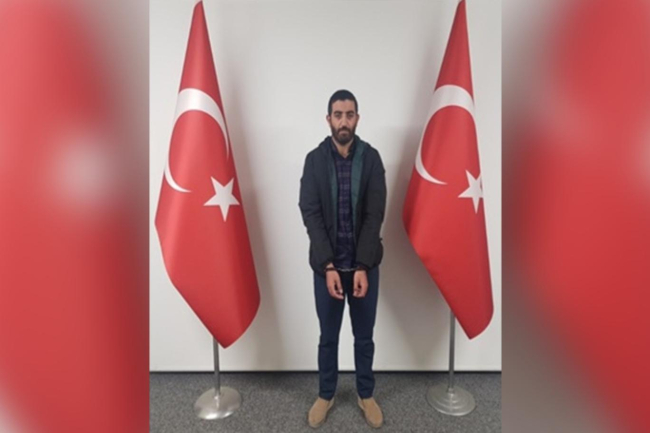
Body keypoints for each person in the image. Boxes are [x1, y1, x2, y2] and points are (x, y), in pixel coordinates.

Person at [299, 89, 387, 429]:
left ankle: (366, 394)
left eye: (350, 114)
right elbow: (310, 213)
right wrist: (328, 266)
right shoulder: (314, 160)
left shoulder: (372, 159)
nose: (344, 121)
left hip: (365, 268)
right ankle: (326, 394)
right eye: (338, 115)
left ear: (357, 118)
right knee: (328, 337)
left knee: (364, 337)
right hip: (328, 270)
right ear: (329, 119)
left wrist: (363, 265)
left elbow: (375, 214)